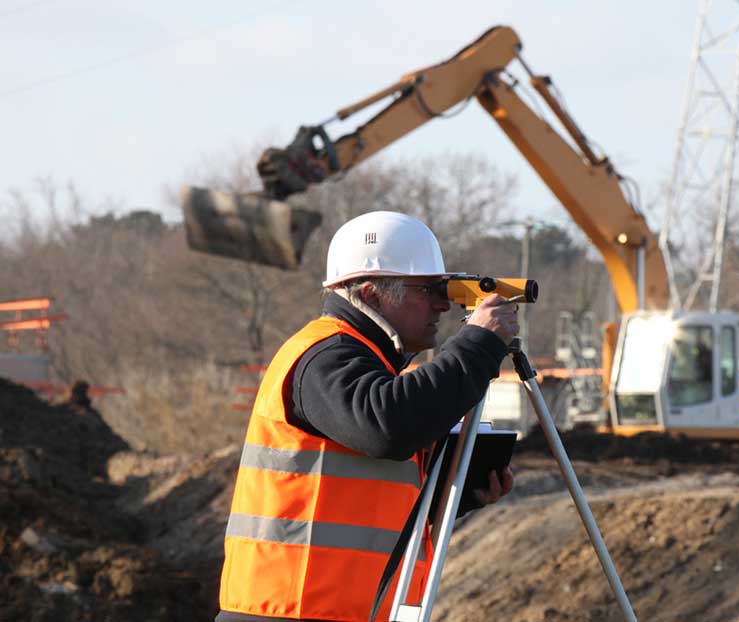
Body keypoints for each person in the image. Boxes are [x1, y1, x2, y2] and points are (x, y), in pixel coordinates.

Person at [217, 210, 518, 622]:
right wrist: (478, 346)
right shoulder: (323, 355)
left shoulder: (372, 365)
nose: (443, 304)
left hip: (345, 610)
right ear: (374, 294)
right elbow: (387, 428)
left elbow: (366, 497)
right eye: (428, 289)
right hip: (291, 610)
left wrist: (457, 494)